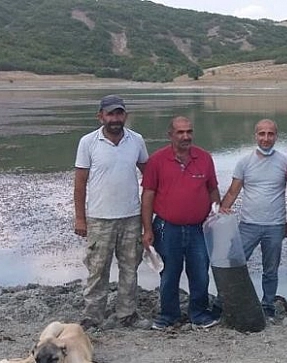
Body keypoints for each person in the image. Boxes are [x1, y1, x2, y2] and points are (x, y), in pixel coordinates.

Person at [73, 94, 150, 330]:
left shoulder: (136, 140)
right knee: (97, 269)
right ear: (101, 116)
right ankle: (93, 316)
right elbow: (80, 183)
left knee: (130, 267)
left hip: (131, 217)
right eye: (110, 114)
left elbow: (150, 177)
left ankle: (127, 314)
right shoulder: (88, 142)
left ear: (125, 115)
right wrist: (80, 218)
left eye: (119, 113)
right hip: (99, 218)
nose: (115, 119)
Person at [141, 116, 221, 330]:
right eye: (180, 132)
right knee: (168, 273)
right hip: (168, 227)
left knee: (200, 272)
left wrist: (217, 218)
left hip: (198, 228)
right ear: (170, 135)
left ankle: (199, 313)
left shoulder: (204, 158)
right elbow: (148, 194)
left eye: (189, 132)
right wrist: (147, 229)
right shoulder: (157, 160)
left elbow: (213, 189)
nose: (186, 136)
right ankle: (169, 315)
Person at [219, 119, 287, 321]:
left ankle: (268, 304)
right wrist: (219, 214)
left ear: (276, 136)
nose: (266, 138)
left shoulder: (286, 163)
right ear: (255, 136)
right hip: (248, 225)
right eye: (262, 134)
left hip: (275, 225)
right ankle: (232, 299)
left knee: (271, 269)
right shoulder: (244, 162)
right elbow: (233, 192)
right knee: (234, 263)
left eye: (270, 134)